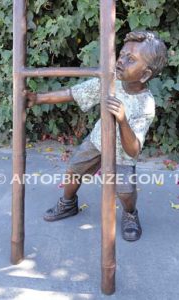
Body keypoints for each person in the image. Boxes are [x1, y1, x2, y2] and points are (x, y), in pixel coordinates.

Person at [26, 30, 167, 242]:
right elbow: (73, 93)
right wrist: (37, 98)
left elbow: (134, 149)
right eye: (121, 55)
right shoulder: (110, 81)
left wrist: (122, 119)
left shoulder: (146, 104)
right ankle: (68, 203)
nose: (121, 61)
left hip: (123, 155)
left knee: (126, 192)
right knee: (74, 170)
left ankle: (130, 214)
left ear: (145, 74)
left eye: (131, 60)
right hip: (98, 141)